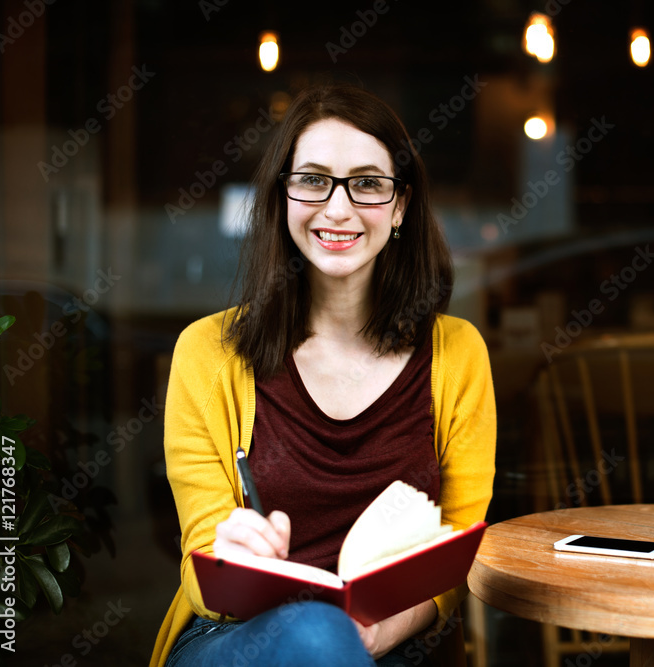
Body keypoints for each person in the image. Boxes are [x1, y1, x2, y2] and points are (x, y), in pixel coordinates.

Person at [150, 81, 496, 667]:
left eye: (366, 183)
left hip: (400, 640)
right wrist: (228, 562)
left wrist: (388, 627)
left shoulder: (458, 354)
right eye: (312, 180)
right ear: (283, 197)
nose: (337, 209)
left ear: (401, 205)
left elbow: (459, 551)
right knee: (313, 634)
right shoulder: (207, 353)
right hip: (239, 638)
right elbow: (199, 567)